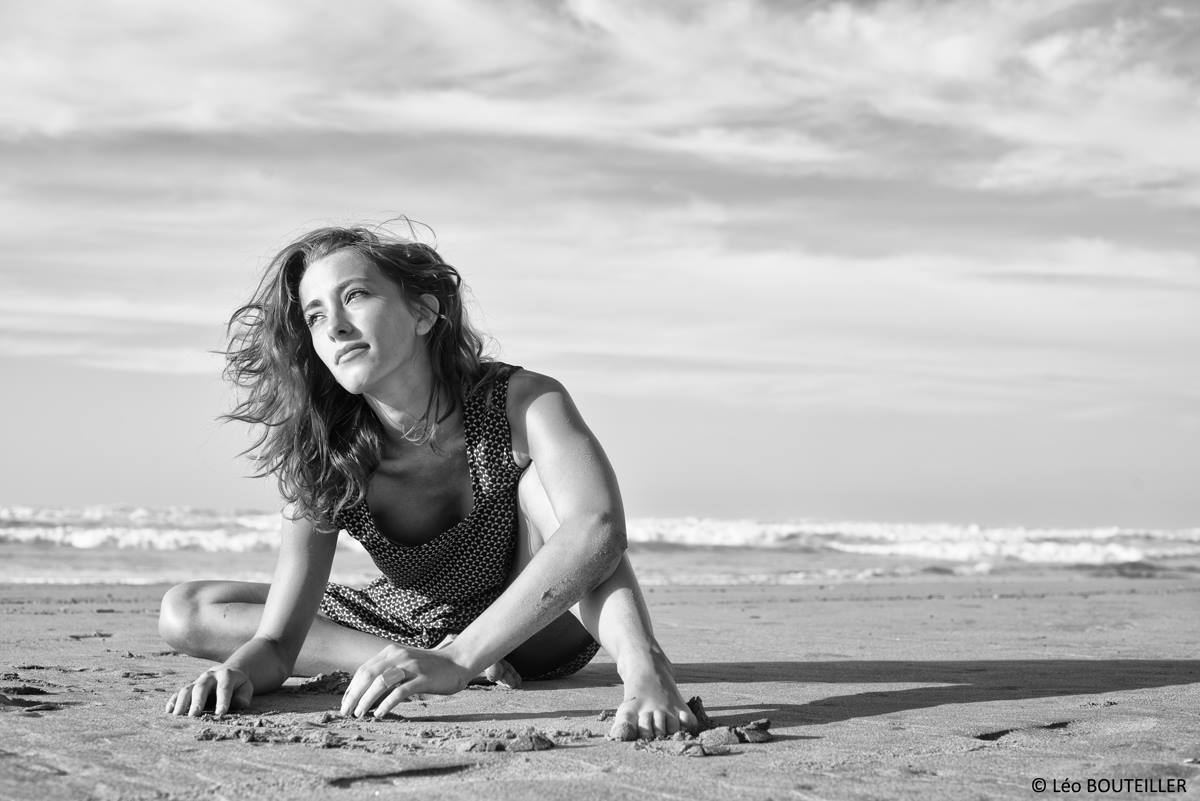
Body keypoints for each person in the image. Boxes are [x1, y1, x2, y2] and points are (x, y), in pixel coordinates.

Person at [159, 224, 698, 739]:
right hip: (415, 624)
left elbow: (597, 529)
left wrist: (461, 657)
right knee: (186, 610)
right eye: (315, 316)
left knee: (542, 488)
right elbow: (278, 642)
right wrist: (237, 671)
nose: (336, 327)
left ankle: (644, 666)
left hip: (540, 623)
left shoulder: (522, 401)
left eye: (355, 296)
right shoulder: (328, 457)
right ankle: (405, 663)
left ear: (423, 311)